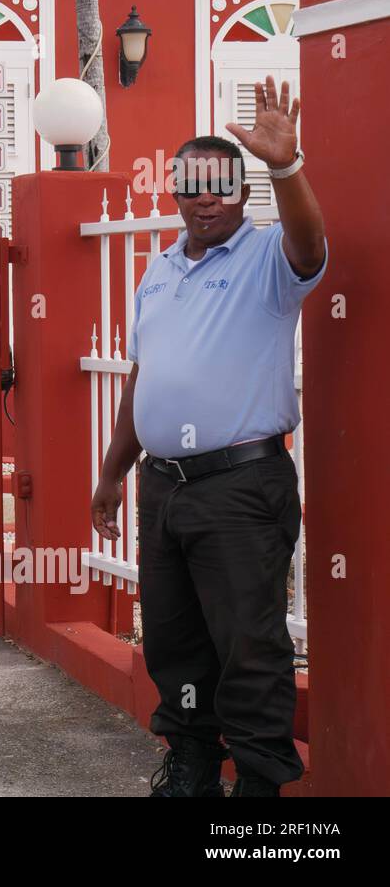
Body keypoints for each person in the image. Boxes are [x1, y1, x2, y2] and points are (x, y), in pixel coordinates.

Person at [90, 77, 327, 798]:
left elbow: (310, 242)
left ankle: (259, 790)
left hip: (241, 488)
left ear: (241, 191)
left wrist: (285, 166)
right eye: (191, 184)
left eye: (222, 185)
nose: (206, 197)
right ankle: (191, 767)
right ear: (174, 190)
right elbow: (144, 376)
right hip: (164, 488)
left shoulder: (268, 264)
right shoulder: (158, 272)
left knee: (249, 648)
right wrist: (111, 473)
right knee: (173, 643)